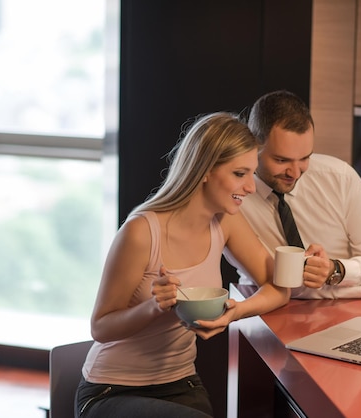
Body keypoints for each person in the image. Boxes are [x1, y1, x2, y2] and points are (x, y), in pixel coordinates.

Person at [75, 112, 290, 418]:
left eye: (251, 174)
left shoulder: (226, 221)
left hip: (181, 382)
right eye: (240, 174)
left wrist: (234, 312)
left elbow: (280, 289)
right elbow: (101, 327)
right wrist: (153, 306)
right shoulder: (141, 232)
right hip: (112, 389)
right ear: (205, 170)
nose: (251, 187)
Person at [224, 90, 361, 318]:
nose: (295, 173)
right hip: (263, 315)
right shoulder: (232, 194)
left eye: (305, 158)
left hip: (343, 313)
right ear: (254, 145)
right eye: (281, 160)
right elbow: (280, 284)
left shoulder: (340, 178)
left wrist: (335, 270)